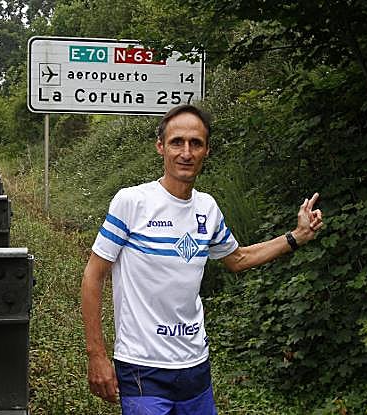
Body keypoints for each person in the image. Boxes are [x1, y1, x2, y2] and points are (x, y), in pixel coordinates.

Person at [81, 104, 323, 414]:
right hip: (142, 366)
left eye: (195, 143)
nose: (186, 152)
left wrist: (296, 237)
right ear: (160, 147)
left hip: (195, 364)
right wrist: (96, 354)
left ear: (206, 150)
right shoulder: (132, 202)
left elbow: (238, 258)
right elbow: (94, 275)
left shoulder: (207, 208)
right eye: (176, 142)